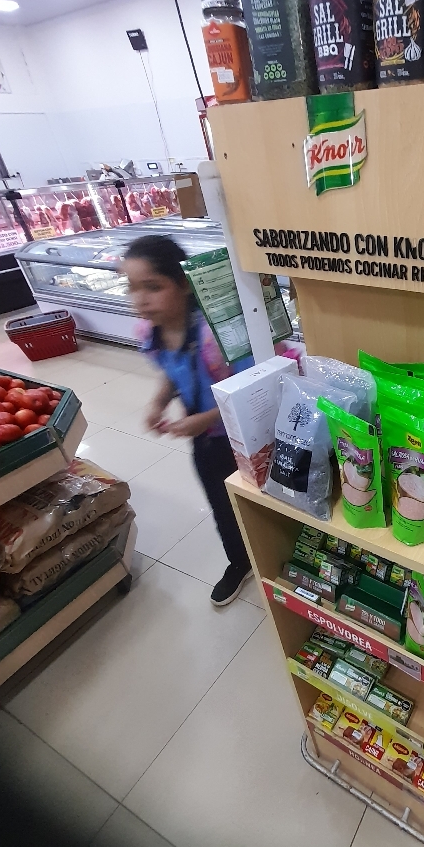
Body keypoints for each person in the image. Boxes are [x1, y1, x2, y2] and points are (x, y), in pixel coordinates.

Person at [121, 234, 253, 606]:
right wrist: (158, 403)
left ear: (182, 283)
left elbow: (251, 390)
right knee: (221, 503)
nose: (140, 299)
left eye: (152, 287)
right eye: (132, 287)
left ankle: (279, 550)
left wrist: (205, 418)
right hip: (206, 440)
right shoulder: (152, 334)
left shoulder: (218, 335)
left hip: (246, 435)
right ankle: (240, 561)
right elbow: (172, 373)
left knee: (259, 498)